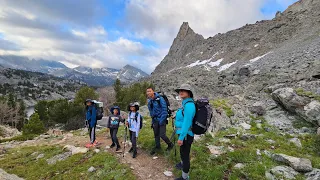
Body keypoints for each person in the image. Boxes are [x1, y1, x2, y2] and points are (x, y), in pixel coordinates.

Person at [174, 84, 196, 180]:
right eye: (180, 90)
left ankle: (185, 177)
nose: (181, 92)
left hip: (186, 135)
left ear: (189, 93)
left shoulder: (189, 105)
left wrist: (181, 138)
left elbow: (187, 123)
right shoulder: (185, 103)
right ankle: (182, 164)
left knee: (185, 155)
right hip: (183, 133)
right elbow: (183, 117)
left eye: (184, 90)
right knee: (182, 152)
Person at [147, 87, 173, 155]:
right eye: (147, 91)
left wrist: (161, 121)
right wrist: (152, 121)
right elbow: (151, 112)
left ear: (153, 91)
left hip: (161, 119)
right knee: (156, 135)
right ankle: (158, 147)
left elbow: (164, 110)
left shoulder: (160, 99)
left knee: (162, 135)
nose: (148, 93)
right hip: (155, 120)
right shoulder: (150, 101)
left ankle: (170, 145)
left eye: (150, 91)